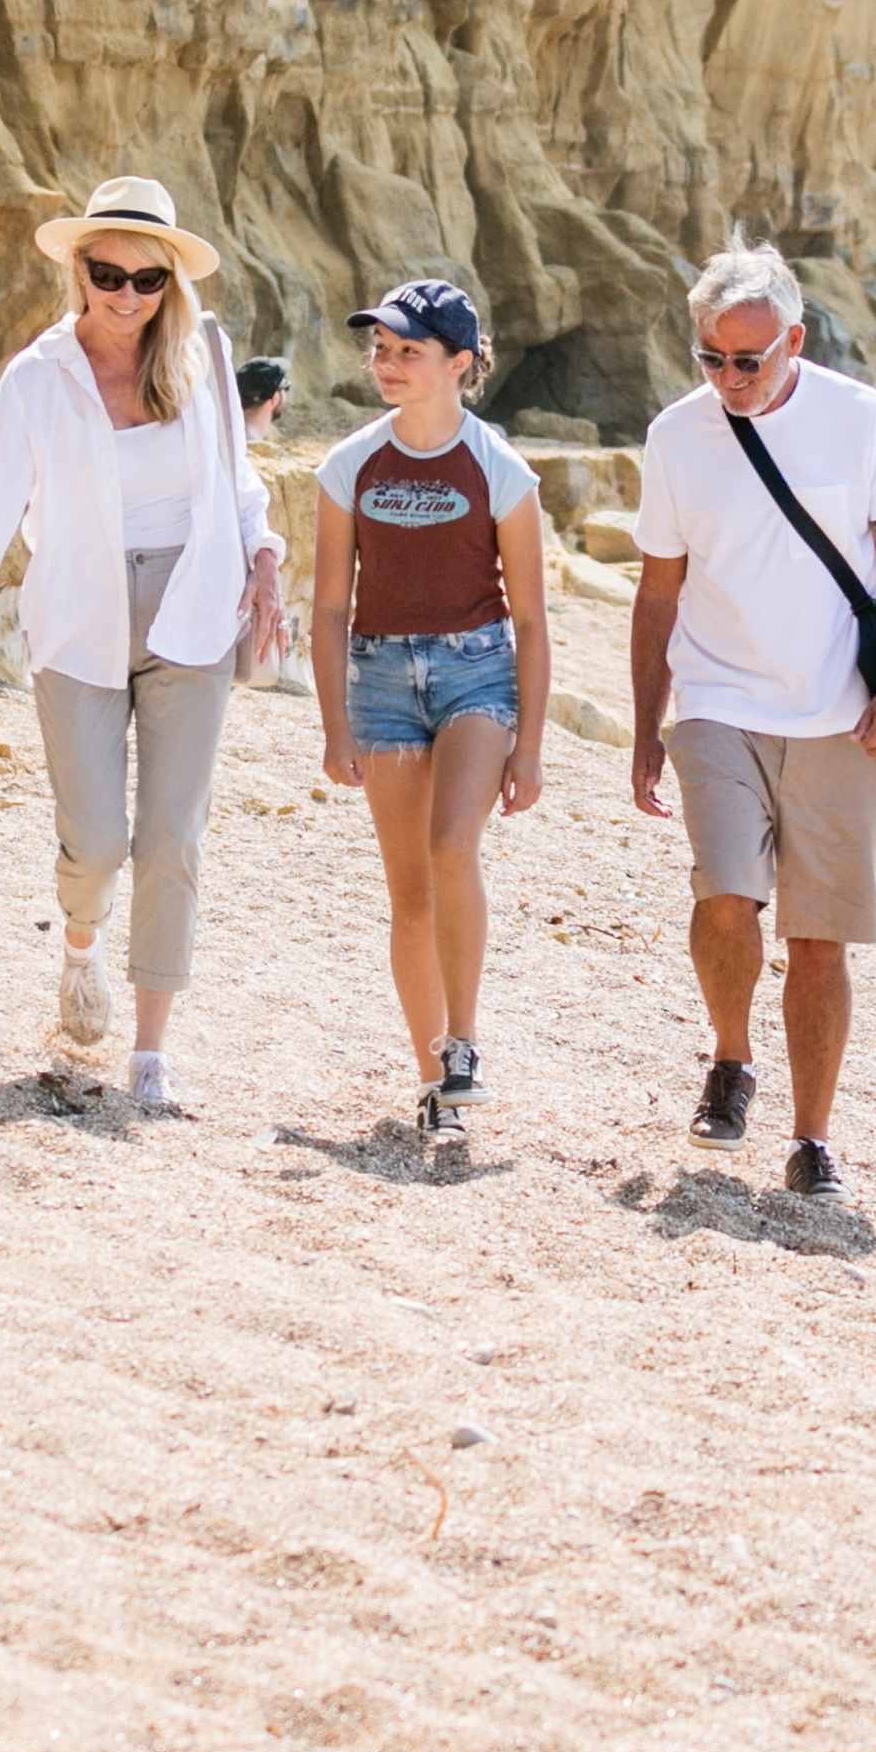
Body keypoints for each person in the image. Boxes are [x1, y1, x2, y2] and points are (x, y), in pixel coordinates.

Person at [0, 176, 284, 1108]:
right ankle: (80, 946)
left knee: (171, 839)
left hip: (191, 612)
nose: (124, 294)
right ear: (79, 269)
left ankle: (150, 1051)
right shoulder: (39, 376)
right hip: (77, 617)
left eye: (145, 279)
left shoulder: (204, 359)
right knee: (99, 840)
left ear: (169, 284)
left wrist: (265, 560)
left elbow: (238, 486)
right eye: (106, 272)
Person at [627, 244, 876, 1198]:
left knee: (818, 937)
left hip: (841, 711)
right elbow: (656, 592)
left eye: (747, 360)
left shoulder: (862, 420)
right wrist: (648, 725)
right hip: (717, 699)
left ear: (794, 340)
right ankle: (729, 1058)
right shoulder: (677, 436)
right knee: (724, 892)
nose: (728, 378)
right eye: (710, 357)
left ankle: (811, 1136)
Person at [309, 278, 551, 1154]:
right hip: (378, 679)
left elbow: (529, 617)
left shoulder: (500, 468)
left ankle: (465, 1040)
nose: (387, 363)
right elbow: (331, 606)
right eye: (379, 348)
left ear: (459, 364)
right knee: (409, 891)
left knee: (454, 846)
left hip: (476, 673)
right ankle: (433, 1082)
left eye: (408, 350)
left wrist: (530, 744)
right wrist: (335, 724)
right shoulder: (348, 466)